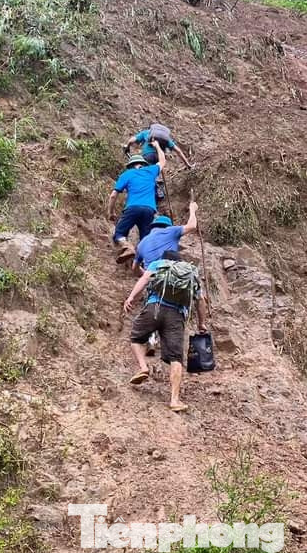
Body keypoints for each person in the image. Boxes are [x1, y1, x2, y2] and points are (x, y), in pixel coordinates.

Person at [123, 250, 206, 412]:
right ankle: (174, 400)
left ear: (165, 260)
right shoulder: (188, 273)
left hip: (154, 307)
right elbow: (200, 300)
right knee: (176, 358)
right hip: (176, 315)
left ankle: (143, 367)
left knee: (136, 338)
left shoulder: (158, 264)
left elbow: (144, 279)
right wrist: (201, 324)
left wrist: (131, 297)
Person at [107, 144, 166, 263]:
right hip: (149, 210)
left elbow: (113, 195)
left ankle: (128, 247)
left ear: (130, 166)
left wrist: (110, 212)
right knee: (145, 238)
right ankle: (143, 263)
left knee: (119, 234)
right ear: (143, 164)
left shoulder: (126, 174)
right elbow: (162, 161)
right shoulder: (151, 171)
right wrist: (157, 146)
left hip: (132, 208)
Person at [132, 201, 199, 273]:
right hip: (169, 273)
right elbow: (192, 226)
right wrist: (192, 210)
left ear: (152, 227)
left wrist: (147, 274)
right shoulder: (171, 230)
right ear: (168, 226)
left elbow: (135, 268)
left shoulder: (141, 243)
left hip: (152, 277)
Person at [124, 124, 193, 169]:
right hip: (159, 157)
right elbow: (178, 151)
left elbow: (131, 140)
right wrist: (187, 164)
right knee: (155, 171)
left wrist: (127, 147)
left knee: (146, 172)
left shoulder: (146, 132)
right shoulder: (165, 138)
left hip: (148, 155)